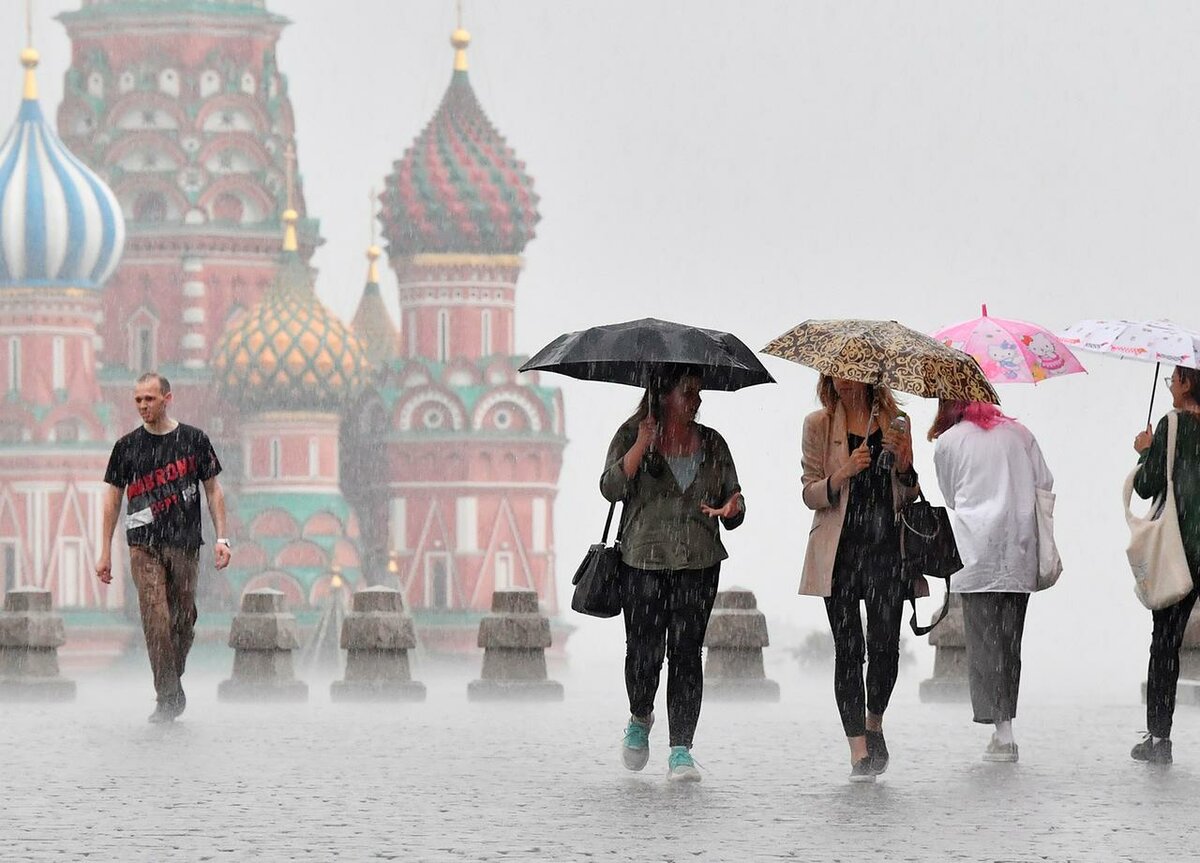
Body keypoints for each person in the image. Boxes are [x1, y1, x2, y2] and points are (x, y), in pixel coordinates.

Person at [600, 369, 745, 782]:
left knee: (686, 653)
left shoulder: (713, 443)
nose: (697, 400)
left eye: (698, 392)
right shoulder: (632, 433)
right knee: (644, 649)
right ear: (663, 395)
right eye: (688, 392)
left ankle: (681, 748)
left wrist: (734, 507)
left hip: (698, 562)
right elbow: (610, 487)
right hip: (642, 560)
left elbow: (734, 495)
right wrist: (641, 445)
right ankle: (640, 716)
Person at [800, 375, 918, 783]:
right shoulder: (818, 424)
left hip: (886, 549)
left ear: (870, 376)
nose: (845, 378)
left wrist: (904, 466)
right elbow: (809, 492)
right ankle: (858, 751)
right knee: (848, 650)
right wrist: (843, 473)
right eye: (838, 370)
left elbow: (911, 493)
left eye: (854, 370)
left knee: (885, 645)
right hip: (840, 551)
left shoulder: (896, 421)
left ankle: (874, 720)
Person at [96, 372, 230, 723]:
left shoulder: (193, 440)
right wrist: (105, 550)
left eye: (150, 399)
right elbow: (112, 500)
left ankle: (171, 680)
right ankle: (168, 697)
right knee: (156, 619)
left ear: (167, 399)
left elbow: (213, 490)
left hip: (185, 542)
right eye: (138, 399)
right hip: (143, 546)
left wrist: (222, 538)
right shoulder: (126, 447)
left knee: (184, 620)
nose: (143, 405)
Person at [930, 400, 1053, 763]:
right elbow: (1045, 482)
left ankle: (1002, 733)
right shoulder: (1021, 434)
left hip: (975, 550)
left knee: (985, 644)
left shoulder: (950, 441)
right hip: (1019, 548)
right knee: (1009, 642)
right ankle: (1006, 728)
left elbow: (950, 495)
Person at [1131, 365, 1200, 765]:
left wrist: (1145, 451)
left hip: (1182, 548)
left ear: (1187, 383)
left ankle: (1160, 738)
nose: (1170, 386)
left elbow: (1146, 486)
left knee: (1166, 643)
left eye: (1172, 380)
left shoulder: (1172, 424)